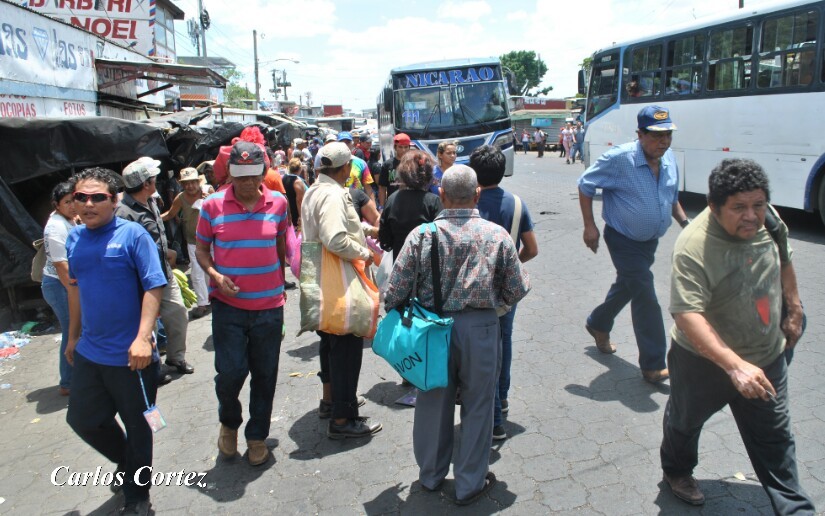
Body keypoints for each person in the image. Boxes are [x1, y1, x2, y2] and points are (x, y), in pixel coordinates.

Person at [660, 159, 815, 514]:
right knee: (684, 423)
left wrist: (794, 308)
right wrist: (734, 366)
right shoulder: (693, 245)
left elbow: (784, 258)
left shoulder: (769, 220)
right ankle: (676, 471)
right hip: (702, 362)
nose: (751, 216)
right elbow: (687, 314)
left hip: (766, 355)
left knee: (776, 439)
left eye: (758, 205)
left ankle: (796, 508)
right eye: (739, 207)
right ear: (714, 206)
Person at [384, 165, 530, 505]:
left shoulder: (422, 236)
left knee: (433, 403)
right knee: (479, 405)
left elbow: (395, 292)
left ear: (442, 195)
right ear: (477, 194)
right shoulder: (497, 235)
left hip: (432, 330)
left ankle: (431, 475)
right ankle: (469, 483)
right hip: (481, 328)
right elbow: (517, 288)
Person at [64, 167, 167, 515]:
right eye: (81, 197)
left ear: (114, 200)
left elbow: (154, 285)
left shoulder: (133, 235)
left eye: (98, 197)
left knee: (140, 426)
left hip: (132, 356)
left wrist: (143, 338)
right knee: (83, 420)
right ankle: (128, 462)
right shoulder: (75, 239)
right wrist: (72, 336)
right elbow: (75, 291)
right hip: (91, 352)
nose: (88, 204)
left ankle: (138, 497)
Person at [577, 105, 688, 383]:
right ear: (640, 134)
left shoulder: (669, 158)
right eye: (657, 135)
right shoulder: (620, 159)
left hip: (649, 242)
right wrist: (589, 226)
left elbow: (672, 197)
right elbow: (585, 184)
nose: (664, 142)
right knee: (645, 293)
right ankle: (653, 364)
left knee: (629, 285)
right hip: (623, 239)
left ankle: (598, 323)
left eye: (668, 135)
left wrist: (687, 225)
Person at [195, 141, 289, 466]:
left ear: (263, 173)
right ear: (229, 174)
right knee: (230, 372)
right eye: (240, 176)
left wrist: (280, 283)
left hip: (269, 307)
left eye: (253, 175)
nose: (247, 183)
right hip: (228, 307)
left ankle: (257, 435)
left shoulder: (279, 203)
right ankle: (229, 422)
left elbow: (280, 245)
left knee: (265, 374)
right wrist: (214, 275)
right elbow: (201, 250)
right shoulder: (211, 206)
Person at [301, 142, 382, 439]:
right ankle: (343, 419)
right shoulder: (334, 195)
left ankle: (331, 402)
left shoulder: (314, 190)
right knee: (347, 348)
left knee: (331, 343)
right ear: (347, 167)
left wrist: (366, 230)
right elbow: (335, 238)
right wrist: (365, 253)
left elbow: (337, 228)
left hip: (320, 277)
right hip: (339, 280)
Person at [471, 145, 539, 441]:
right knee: (504, 341)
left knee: (481, 348)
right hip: (504, 291)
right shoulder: (517, 204)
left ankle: (492, 413)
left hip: (473, 290)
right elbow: (532, 248)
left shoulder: (468, 203)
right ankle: (503, 396)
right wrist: (512, 266)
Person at [115, 158, 193, 376]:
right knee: (147, 325)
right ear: (146, 183)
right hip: (141, 280)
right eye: (153, 179)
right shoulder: (123, 213)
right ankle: (153, 368)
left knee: (178, 313)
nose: (156, 181)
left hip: (163, 273)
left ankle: (176, 358)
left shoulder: (150, 201)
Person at [41, 182, 77, 396]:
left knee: (75, 329)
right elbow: (61, 266)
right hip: (59, 285)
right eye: (67, 202)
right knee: (72, 330)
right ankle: (68, 382)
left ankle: (76, 377)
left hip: (65, 283)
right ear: (57, 205)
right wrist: (75, 292)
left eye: (74, 200)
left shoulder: (68, 220)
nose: (73, 206)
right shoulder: (56, 227)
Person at [161, 167, 210, 319]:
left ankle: (213, 297)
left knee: (211, 270)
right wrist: (154, 218)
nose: (190, 186)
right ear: (182, 185)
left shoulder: (208, 191)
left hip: (211, 240)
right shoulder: (181, 198)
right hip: (193, 242)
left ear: (198, 182)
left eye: (192, 182)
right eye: (186, 183)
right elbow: (170, 214)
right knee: (197, 272)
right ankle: (202, 303)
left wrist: (209, 199)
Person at [379, 150, 443, 261]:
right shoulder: (433, 201)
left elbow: (385, 240)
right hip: (427, 264)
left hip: (400, 262)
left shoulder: (392, 199)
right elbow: (441, 239)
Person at [378, 133, 412, 206]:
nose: (403, 150)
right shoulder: (387, 165)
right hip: (393, 204)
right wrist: (382, 207)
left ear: (409, 147)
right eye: (400, 147)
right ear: (395, 147)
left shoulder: (414, 164)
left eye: (406, 147)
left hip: (411, 204)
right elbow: (382, 187)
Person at [282, 158, 307, 232]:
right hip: (296, 214)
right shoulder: (297, 181)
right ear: (300, 169)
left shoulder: (284, 177)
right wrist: (301, 217)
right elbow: (299, 201)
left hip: (289, 211)